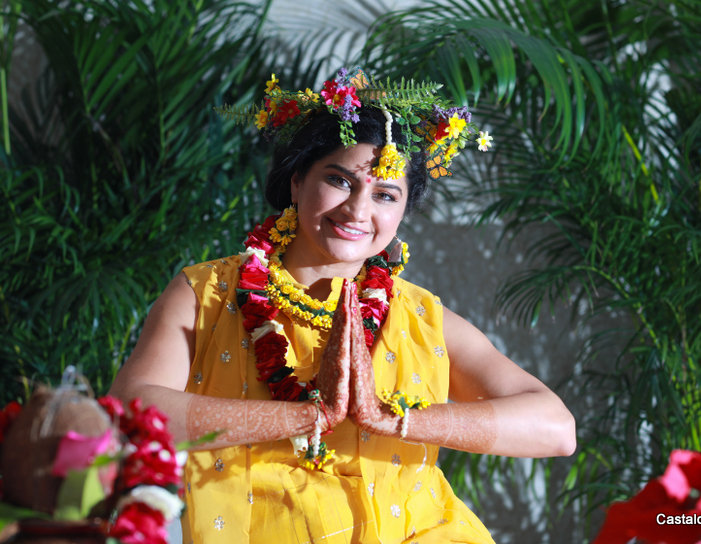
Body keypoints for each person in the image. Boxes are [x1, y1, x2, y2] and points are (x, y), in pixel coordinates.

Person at [109, 68, 575, 544]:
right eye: (339, 180)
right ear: (296, 182)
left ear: (403, 211)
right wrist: (306, 416)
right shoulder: (205, 293)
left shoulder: (420, 317)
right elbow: (129, 410)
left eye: (385, 194)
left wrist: (391, 419)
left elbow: (556, 428)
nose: (357, 210)